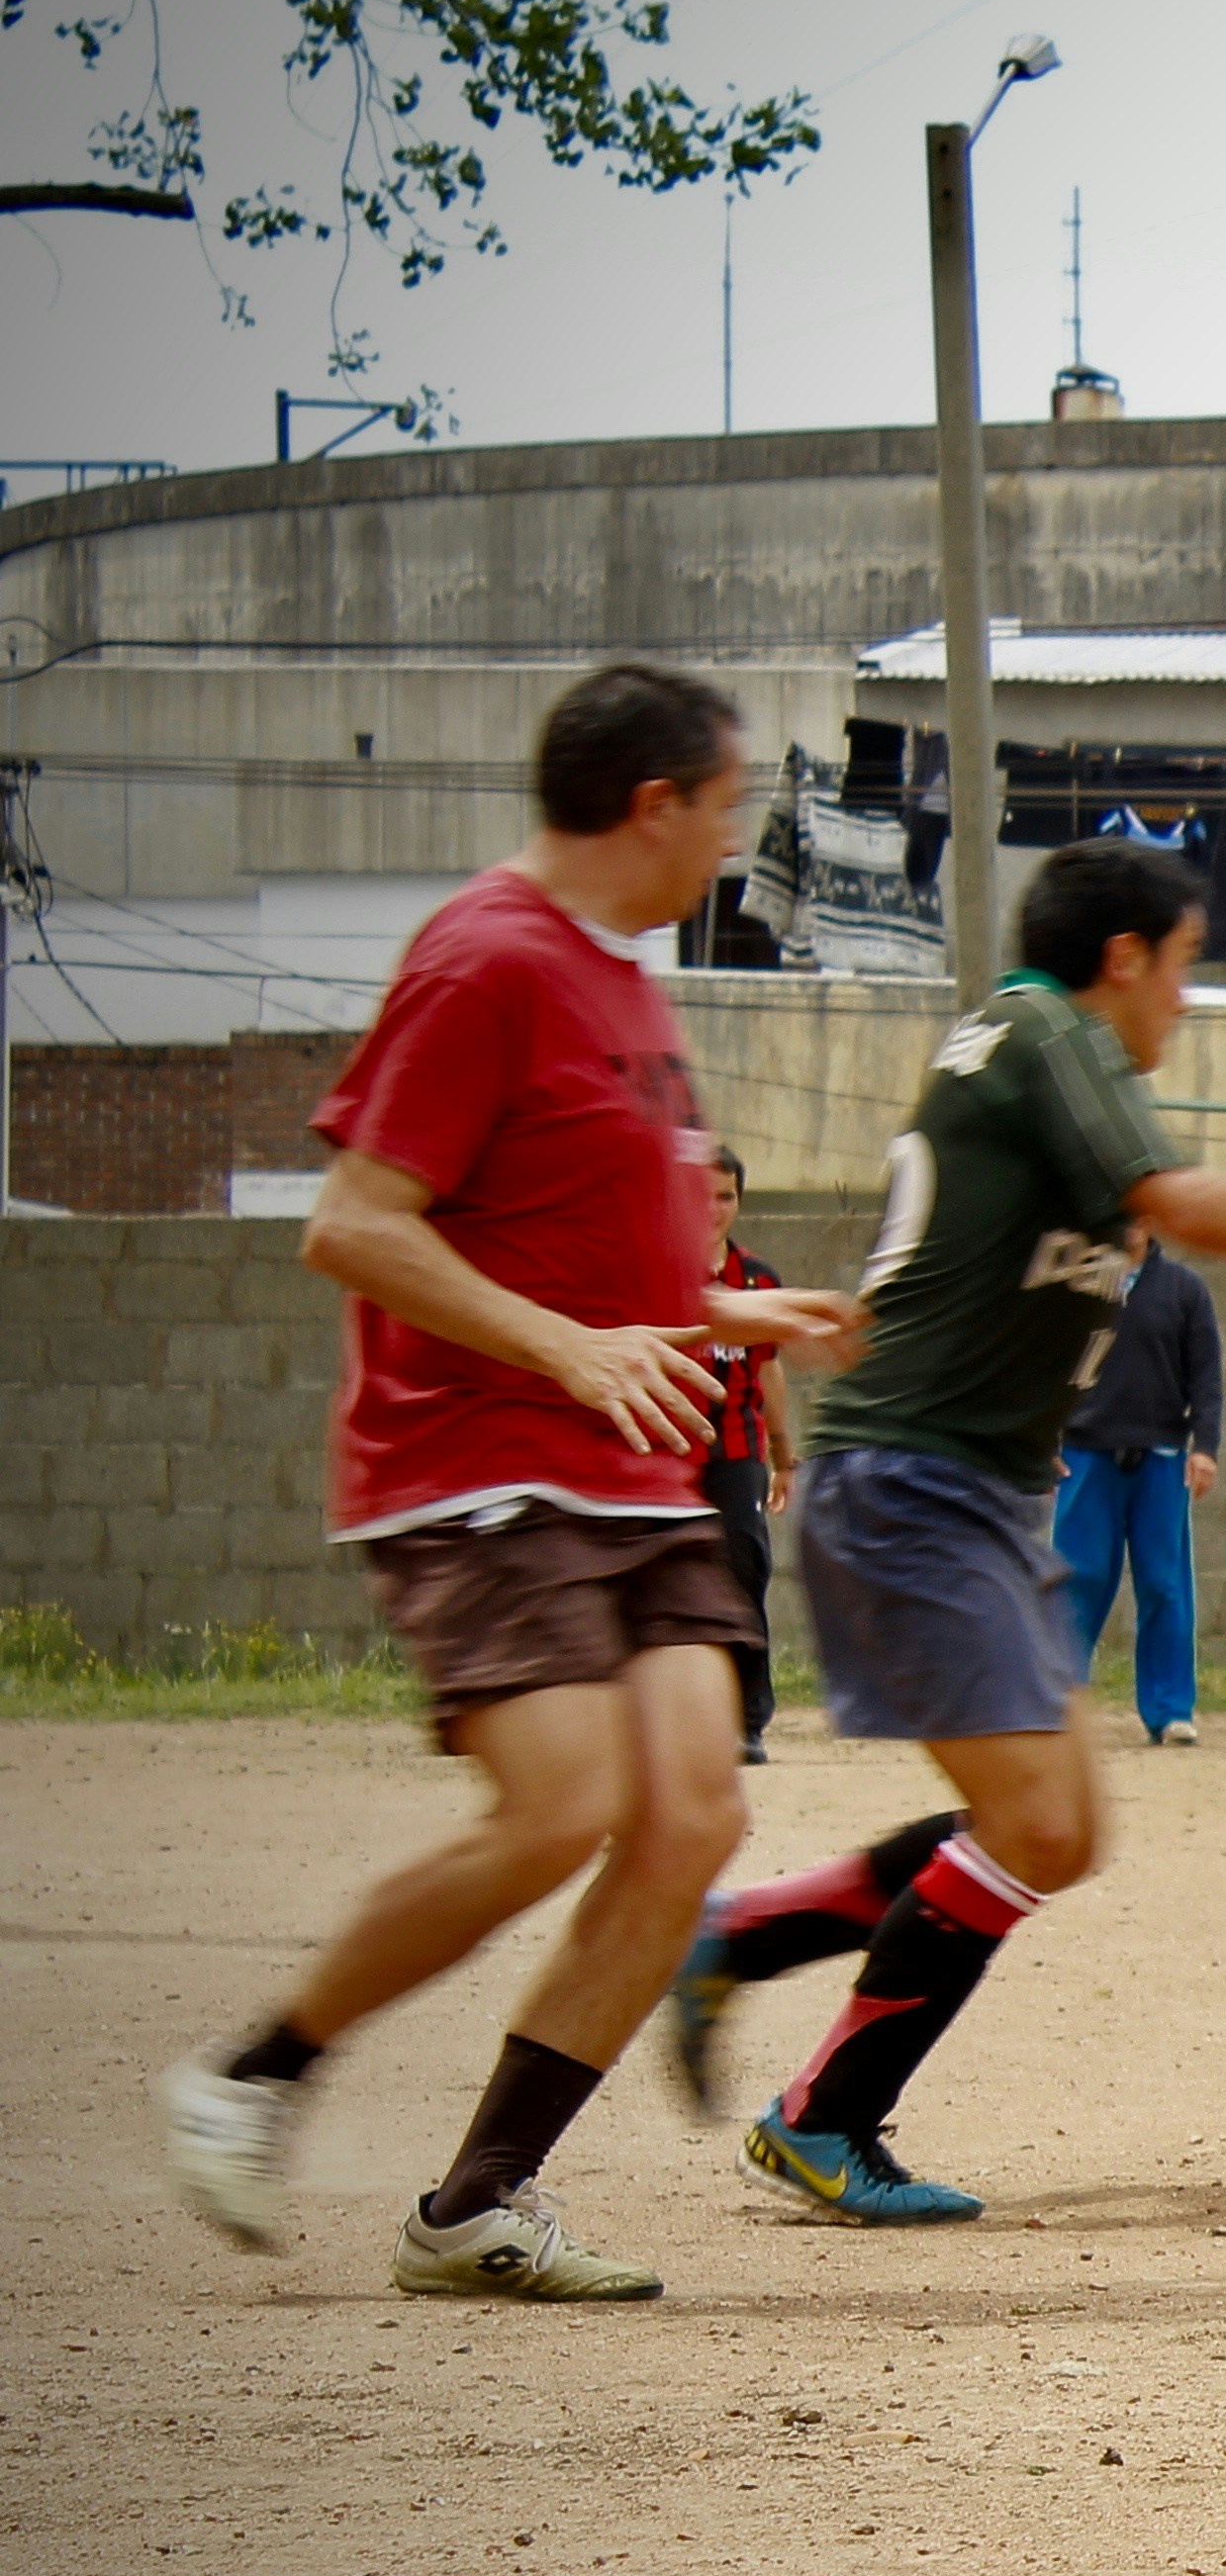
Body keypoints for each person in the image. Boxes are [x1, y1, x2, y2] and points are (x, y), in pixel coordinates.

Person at [154, 662, 865, 2298]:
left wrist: (732, 1307)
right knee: (566, 1809)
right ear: (654, 803)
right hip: (478, 1457)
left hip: (627, 1459)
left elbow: (580, 1237)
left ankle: (478, 2197)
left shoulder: (622, 980)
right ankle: (250, 2074)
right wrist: (563, 1351)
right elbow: (356, 1223)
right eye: (731, 801)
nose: (739, 834)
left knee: (690, 1815)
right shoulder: (483, 960)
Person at [667, 838, 1226, 2223]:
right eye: (1187, 966)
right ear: (1125, 959)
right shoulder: (1047, 1026)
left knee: (1060, 1827)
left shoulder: (1024, 1047)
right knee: (1033, 1823)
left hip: (963, 1488)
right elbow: (1180, 1203)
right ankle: (821, 2116)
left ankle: (743, 1934)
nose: (1187, 1005)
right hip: (915, 1484)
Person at [1051, 1225, 1221, 1747]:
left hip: (1161, 1456)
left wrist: (1205, 1448)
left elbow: (1207, 1377)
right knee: (1076, 1579)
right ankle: (1058, 1703)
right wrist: (1042, 1439)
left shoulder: (1183, 1289)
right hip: (1085, 1454)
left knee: (1164, 1584)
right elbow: (1044, 1367)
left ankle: (1170, 1709)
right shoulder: (1075, 1286)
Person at [700, 1144, 800, 1765]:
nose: (712, 1209)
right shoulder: (657, 1271)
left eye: (725, 1196)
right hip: (665, 1457)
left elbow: (768, 1373)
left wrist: (784, 1456)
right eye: (700, 1194)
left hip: (736, 1455)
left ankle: (748, 1720)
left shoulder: (759, 1280)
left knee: (744, 1574)